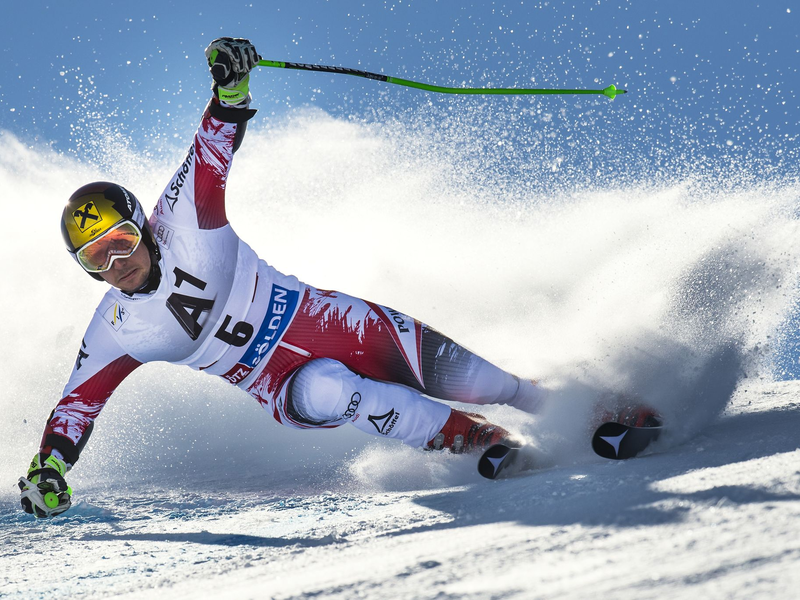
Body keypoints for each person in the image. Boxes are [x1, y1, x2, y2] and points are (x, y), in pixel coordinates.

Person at [19, 37, 553, 517]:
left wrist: (230, 90)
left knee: (481, 380)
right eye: (97, 261)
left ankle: (569, 408)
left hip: (323, 318)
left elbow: (210, 150)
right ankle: (479, 439)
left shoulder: (183, 218)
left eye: (121, 244)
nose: (117, 267)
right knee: (329, 390)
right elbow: (76, 406)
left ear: (144, 227)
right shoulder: (115, 328)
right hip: (277, 384)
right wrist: (51, 467)